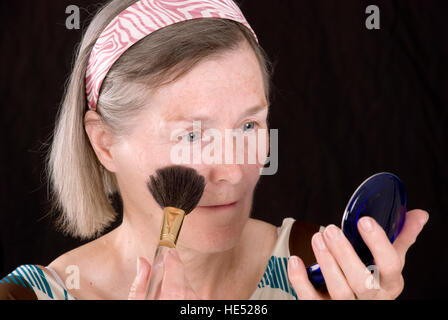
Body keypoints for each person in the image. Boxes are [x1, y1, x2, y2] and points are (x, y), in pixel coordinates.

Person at [0, 0, 428, 300]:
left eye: (248, 125)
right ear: (105, 143)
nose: (232, 171)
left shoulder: (320, 270)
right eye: (191, 135)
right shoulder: (29, 296)